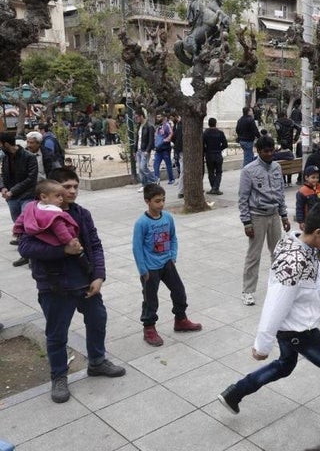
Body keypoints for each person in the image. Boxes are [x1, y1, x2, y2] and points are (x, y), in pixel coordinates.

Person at [217, 204, 320, 447]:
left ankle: (234, 393)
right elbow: (274, 304)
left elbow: (318, 275)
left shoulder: (304, 245)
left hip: (292, 327)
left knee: (284, 365)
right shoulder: (294, 260)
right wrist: (262, 344)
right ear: (319, 232)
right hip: (299, 331)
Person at [18, 168, 126, 403]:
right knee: (57, 335)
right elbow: (25, 248)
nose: (72, 191)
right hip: (54, 287)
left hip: (85, 282)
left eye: (75, 187)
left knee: (98, 320)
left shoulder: (82, 214)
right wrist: (62, 250)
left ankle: (97, 362)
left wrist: (99, 276)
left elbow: (95, 245)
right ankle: (59, 376)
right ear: (51, 190)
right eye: (66, 187)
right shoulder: (35, 215)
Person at [132, 183, 203, 346]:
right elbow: (137, 248)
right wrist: (143, 269)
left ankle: (180, 319)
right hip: (150, 268)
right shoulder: (141, 223)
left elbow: (173, 237)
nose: (161, 204)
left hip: (167, 263)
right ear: (147, 201)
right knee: (150, 299)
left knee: (179, 292)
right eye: (157, 201)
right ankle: (149, 327)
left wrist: (173, 255)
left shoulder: (168, 218)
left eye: (163, 200)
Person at [238, 135, 292, 306]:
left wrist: (284, 215)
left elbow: (280, 192)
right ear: (258, 151)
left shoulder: (276, 167)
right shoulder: (249, 170)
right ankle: (248, 291)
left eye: (271, 151)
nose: (269, 154)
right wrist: (247, 222)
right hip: (257, 216)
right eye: (266, 151)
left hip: (274, 214)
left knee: (277, 253)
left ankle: (278, 287)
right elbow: (243, 198)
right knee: (254, 255)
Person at [13, 179, 92, 274]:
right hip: (56, 244)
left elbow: (21, 219)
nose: (61, 199)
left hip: (41, 245)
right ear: (43, 197)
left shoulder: (31, 206)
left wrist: (17, 230)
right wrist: (70, 241)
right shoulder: (54, 214)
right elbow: (61, 231)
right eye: (57, 196)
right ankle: (87, 268)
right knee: (79, 253)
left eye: (61, 195)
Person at [0, 132, 39, 266]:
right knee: (19, 227)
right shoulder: (5, 157)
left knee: (28, 226)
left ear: (5, 144)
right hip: (12, 198)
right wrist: (3, 188)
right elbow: (3, 174)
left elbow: (31, 179)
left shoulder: (29, 157)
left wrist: (12, 191)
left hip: (27, 196)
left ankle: (34, 255)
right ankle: (25, 254)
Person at [295, 165, 320, 230]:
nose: (316, 180)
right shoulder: (302, 191)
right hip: (308, 221)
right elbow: (299, 208)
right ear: (306, 178)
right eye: (313, 177)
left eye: (317, 177)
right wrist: (301, 221)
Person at [203, 117, 228, 195]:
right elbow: (225, 144)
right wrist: (219, 149)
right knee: (218, 172)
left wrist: (206, 150)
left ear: (208, 124)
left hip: (209, 154)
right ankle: (216, 188)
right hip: (217, 154)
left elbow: (202, 144)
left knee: (210, 172)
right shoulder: (220, 133)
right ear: (215, 123)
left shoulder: (205, 133)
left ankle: (213, 187)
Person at [134, 110, 157, 190]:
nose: (136, 119)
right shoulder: (139, 126)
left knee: (143, 167)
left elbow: (151, 140)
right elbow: (137, 139)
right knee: (140, 170)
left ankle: (154, 180)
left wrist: (147, 151)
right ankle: (144, 185)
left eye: (137, 117)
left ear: (141, 116)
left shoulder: (149, 126)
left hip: (145, 150)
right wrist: (135, 150)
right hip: (139, 150)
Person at [153, 111, 175, 184]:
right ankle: (157, 179)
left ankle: (171, 179)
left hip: (165, 148)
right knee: (156, 164)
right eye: (157, 117)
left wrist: (166, 140)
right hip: (159, 149)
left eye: (159, 117)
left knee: (168, 164)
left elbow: (171, 133)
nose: (158, 118)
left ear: (163, 117)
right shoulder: (158, 126)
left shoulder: (167, 125)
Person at [170, 113, 185, 198]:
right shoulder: (182, 127)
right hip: (183, 151)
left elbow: (173, 138)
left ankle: (181, 190)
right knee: (183, 171)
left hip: (180, 151)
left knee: (183, 170)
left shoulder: (179, 127)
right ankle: (181, 190)